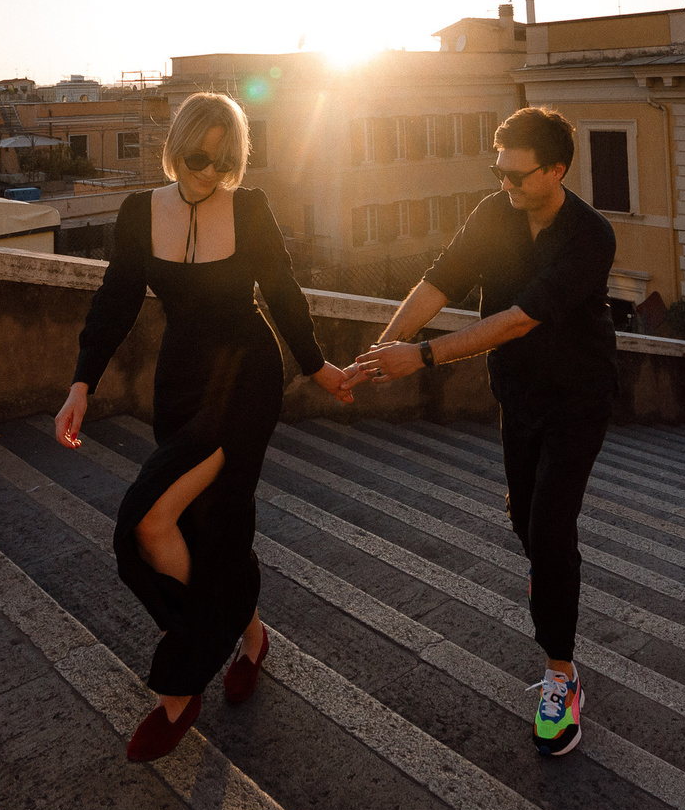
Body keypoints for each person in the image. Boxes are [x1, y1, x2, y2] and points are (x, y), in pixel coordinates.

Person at [56, 92, 359, 763]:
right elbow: (115, 301)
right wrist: (81, 383)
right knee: (206, 529)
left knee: (146, 521)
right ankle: (248, 636)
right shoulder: (141, 213)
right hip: (181, 383)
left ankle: (178, 685)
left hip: (245, 382)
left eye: (226, 159)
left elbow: (283, 293)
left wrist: (317, 365)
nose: (210, 169)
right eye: (199, 155)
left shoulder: (249, 209)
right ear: (178, 145)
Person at [349, 106, 617, 760]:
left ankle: (562, 677)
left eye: (518, 175)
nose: (506, 185)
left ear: (555, 170)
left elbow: (522, 318)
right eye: (498, 171)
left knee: (552, 529)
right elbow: (440, 279)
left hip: (578, 398)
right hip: (517, 395)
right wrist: (382, 347)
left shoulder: (590, 235)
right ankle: (549, 580)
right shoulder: (493, 213)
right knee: (529, 526)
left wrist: (427, 357)